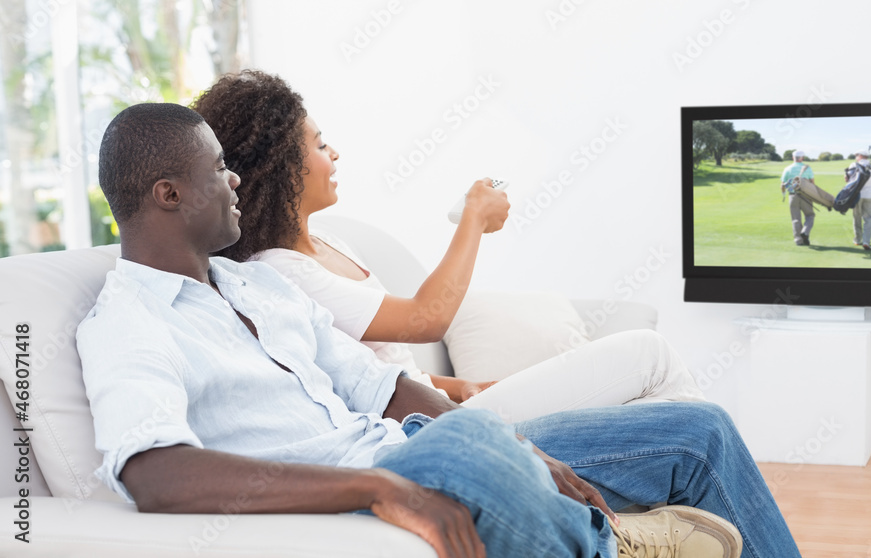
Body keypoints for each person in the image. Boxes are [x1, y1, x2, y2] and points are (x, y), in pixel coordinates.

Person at [77, 102, 804, 557]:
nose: (235, 180)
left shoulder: (256, 285)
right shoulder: (128, 323)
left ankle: (563, 503)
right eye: (218, 169)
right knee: (467, 445)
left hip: (421, 445)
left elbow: (385, 387)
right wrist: (378, 485)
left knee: (696, 431)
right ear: (168, 193)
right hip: (378, 470)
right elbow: (155, 473)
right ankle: (610, 546)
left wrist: (518, 443)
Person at [189, 70, 704, 423]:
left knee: (653, 393)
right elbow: (424, 320)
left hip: (446, 406)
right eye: (321, 145)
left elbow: (384, 366)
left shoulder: (329, 241)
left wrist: (461, 386)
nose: (335, 153)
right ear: (282, 167)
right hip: (428, 432)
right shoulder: (280, 272)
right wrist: (474, 222)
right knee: (647, 355)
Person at [848, 150, 871, 250]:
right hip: (869, 196)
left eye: (856, 155)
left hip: (856, 195)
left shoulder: (853, 165)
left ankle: (857, 240)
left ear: (861, 156)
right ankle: (866, 241)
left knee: (857, 217)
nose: (855, 157)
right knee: (868, 219)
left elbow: (848, 179)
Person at [781, 150, 816, 246]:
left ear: (793, 158)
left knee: (795, 218)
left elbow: (783, 184)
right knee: (810, 215)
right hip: (806, 196)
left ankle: (798, 240)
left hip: (793, 195)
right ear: (802, 158)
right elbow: (812, 183)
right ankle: (805, 232)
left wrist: (784, 194)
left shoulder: (787, 169)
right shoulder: (807, 168)